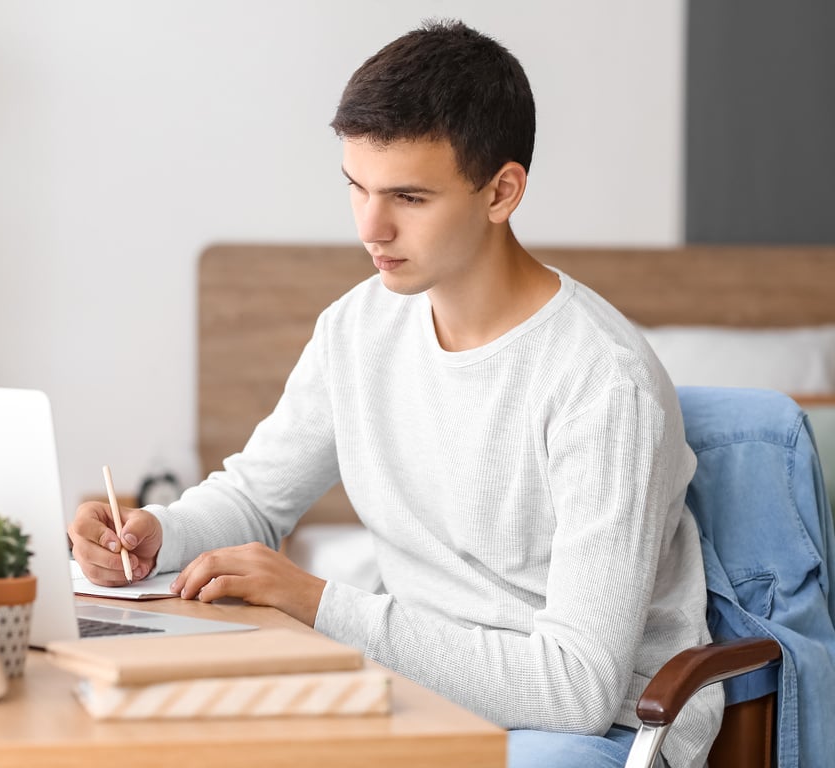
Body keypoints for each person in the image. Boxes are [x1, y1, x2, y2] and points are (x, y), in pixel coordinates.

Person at [69, 19, 722, 768]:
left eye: (409, 197)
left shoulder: (603, 384)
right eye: (357, 188)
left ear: (501, 192)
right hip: (414, 688)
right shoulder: (358, 327)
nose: (371, 228)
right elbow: (255, 501)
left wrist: (317, 603)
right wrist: (159, 532)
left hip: (594, 727)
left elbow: (574, 686)